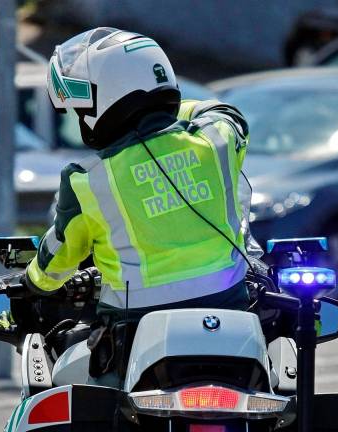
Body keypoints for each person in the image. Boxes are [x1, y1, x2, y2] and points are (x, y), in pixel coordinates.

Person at [22, 27, 258, 323]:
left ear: (109, 92)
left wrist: (32, 282)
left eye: (83, 110)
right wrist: (159, 109)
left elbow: (58, 258)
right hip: (228, 305)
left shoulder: (87, 178)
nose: (83, 118)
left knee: (73, 363)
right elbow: (222, 111)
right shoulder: (216, 140)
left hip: (134, 323)